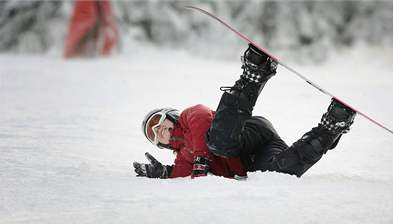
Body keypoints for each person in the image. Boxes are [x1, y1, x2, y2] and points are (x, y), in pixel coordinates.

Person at [133, 44, 356, 179]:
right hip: (258, 154)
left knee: (218, 142)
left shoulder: (189, 117)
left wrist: (201, 157)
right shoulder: (184, 156)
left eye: (158, 121)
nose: (158, 129)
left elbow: (203, 117)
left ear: (170, 115)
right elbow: (181, 171)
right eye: (154, 134)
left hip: (247, 132)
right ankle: (332, 127)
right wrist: (164, 173)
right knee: (278, 174)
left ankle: (254, 74)